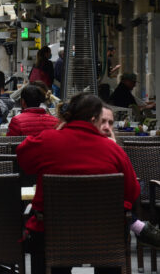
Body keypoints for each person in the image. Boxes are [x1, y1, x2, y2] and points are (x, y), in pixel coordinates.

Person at [16, 93, 140, 274]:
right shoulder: (112, 149)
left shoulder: (47, 141)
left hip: (53, 234)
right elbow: (132, 191)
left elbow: (24, 160)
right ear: (94, 119)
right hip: (104, 236)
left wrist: (57, 132)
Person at [97, 106, 160, 248]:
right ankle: (140, 228)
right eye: (103, 122)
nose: (107, 127)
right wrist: (114, 149)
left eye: (110, 123)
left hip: (78, 220)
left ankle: (139, 228)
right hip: (105, 215)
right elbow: (132, 189)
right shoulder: (110, 151)